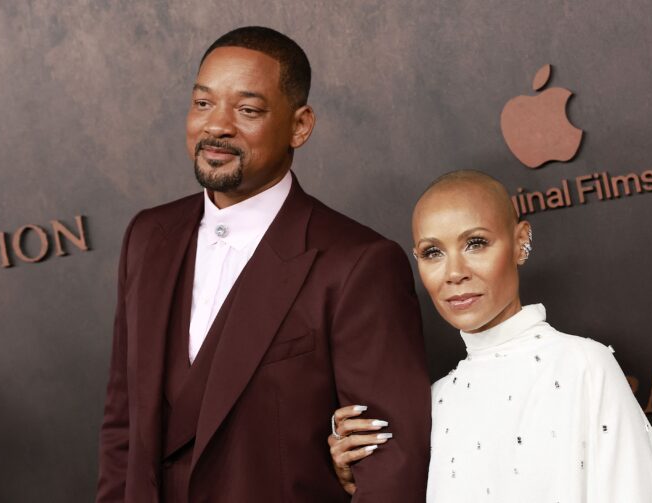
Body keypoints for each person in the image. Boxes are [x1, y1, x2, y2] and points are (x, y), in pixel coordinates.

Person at [96, 26, 431, 503]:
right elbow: (122, 427)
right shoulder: (147, 236)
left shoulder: (358, 263)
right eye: (203, 103)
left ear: (300, 125)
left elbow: (390, 468)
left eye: (247, 110)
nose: (216, 126)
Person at [328, 170, 652, 502]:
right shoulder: (433, 402)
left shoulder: (583, 365)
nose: (454, 272)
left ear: (520, 241)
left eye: (476, 243)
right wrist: (362, 475)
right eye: (433, 252)